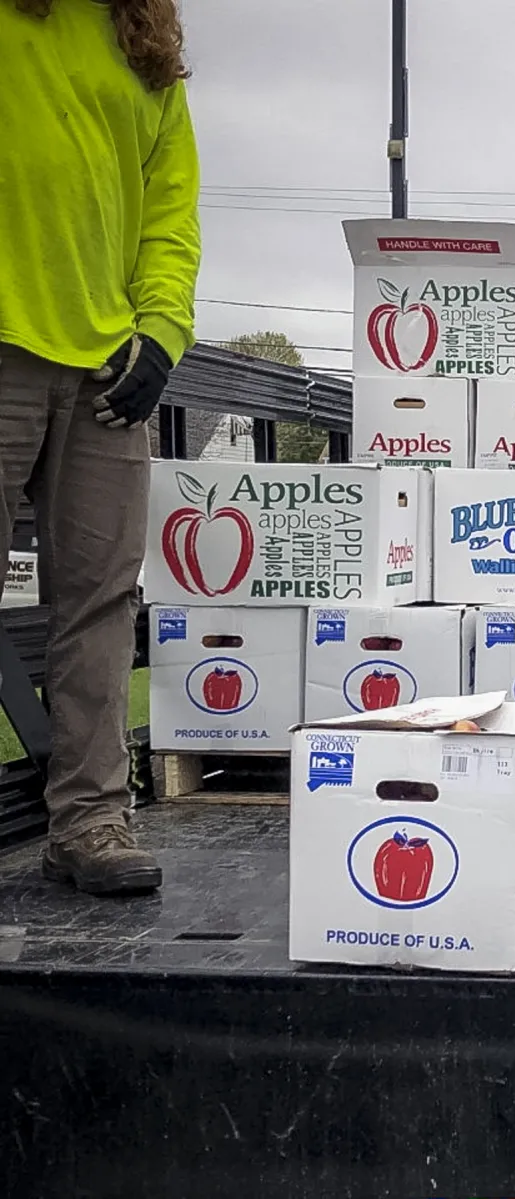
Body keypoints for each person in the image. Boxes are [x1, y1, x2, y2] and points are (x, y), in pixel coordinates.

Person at [0, 0, 200, 894]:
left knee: (101, 598)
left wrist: (161, 330)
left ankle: (89, 822)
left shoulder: (144, 41)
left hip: (106, 368)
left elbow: (171, 208)